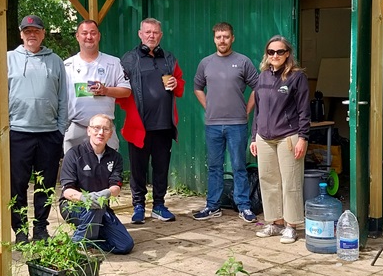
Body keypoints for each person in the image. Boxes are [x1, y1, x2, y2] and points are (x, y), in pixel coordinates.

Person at [8, 14, 69, 242]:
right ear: (21, 33)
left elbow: (64, 96)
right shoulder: (8, 59)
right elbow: (1, 96)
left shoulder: (55, 61)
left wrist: (60, 129)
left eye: (36, 31)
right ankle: (21, 230)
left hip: (49, 134)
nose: (31, 34)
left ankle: (41, 228)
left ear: (43, 33)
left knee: (45, 185)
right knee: (18, 184)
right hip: (18, 132)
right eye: (27, 31)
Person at [118, 17, 185, 224]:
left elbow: (181, 86)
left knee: (161, 167)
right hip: (139, 125)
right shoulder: (129, 59)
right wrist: (131, 109)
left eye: (155, 32)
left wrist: (176, 83)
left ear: (161, 35)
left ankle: (158, 205)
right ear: (140, 34)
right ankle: (138, 205)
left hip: (163, 124)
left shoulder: (169, 59)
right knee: (138, 169)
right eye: (147, 32)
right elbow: (121, 91)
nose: (151, 36)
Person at [193, 22, 259, 222]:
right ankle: (213, 206)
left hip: (237, 124)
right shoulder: (206, 63)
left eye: (226, 36)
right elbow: (197, 87)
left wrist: (246, 111)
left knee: (239, 165)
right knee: (214, 166)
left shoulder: (243, 61)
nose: (222, 40)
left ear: (233, 38)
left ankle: (244, 206)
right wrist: (209, 107)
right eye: (218, 37)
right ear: (214, 39)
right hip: (213, 124)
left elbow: (258, 87)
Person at [251, 35, 311, 244]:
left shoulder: (296, 77)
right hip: (264, 137)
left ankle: (291, 226)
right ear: (266, 55)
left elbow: (304, 111)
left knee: (291, 182)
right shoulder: (263, 77)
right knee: (268, 181)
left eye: (280, 52)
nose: (275, 55)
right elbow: (258, 110)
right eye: (271, 52)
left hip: (288, 136)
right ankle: (274, 223)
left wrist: (303, 138)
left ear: (287, 54)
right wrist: (253, 137)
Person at [58, 113, 134, 255]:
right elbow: (67, 190)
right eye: (96, 128)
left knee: (125, 245)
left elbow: (116, 186)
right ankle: (77, 244)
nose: (100, 132)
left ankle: (91, 239)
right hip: (73, 206)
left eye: (105, 129)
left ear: (110, 134)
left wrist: (106, 193)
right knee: (96, 206)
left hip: (101, 207)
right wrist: (84, 199)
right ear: (88, 130)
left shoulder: (115, 157)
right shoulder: (74, 154)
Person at [62, 19, 130, 153]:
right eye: (84, 33)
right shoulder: (67, 65)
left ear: (99, 36)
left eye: (93, 33)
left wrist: (106, 90)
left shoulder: (114, 62)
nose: (89, 37)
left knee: (107, 170)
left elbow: (126, 91)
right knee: (73, 171)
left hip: (104, 129)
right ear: (77, 36)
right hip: (76, 126)